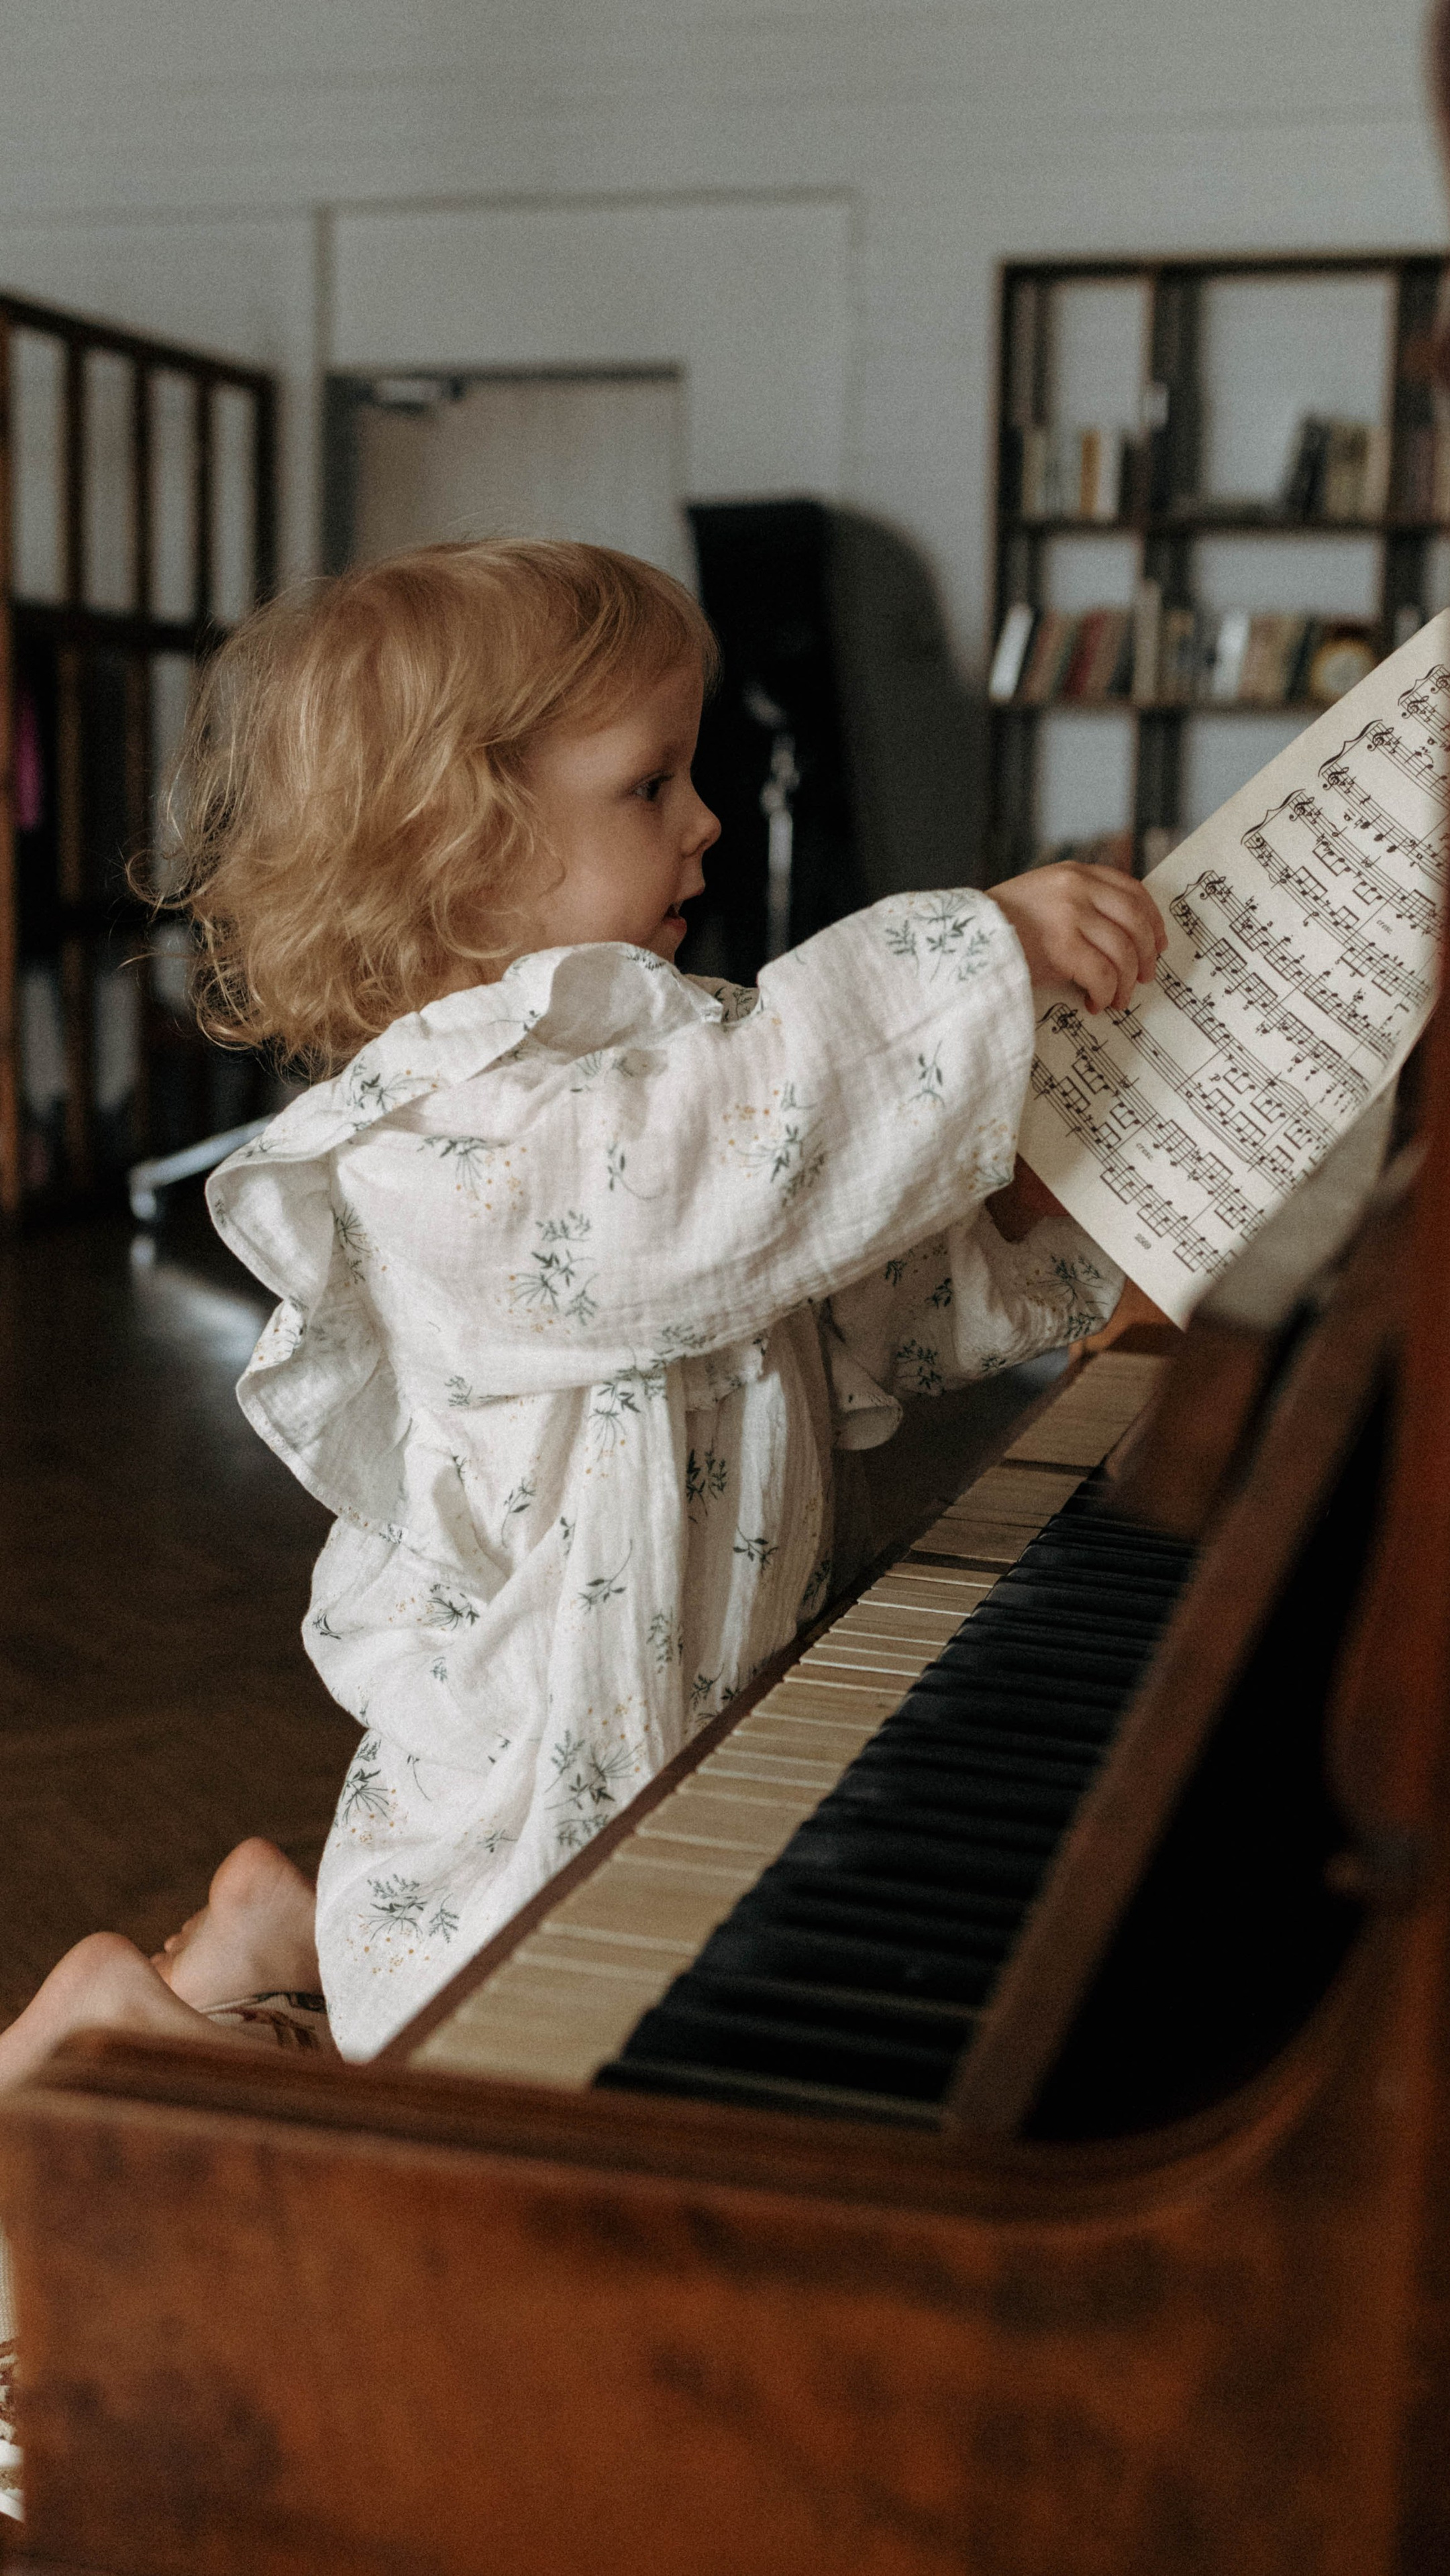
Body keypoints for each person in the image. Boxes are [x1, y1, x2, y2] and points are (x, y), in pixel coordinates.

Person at [0, 538, 1164, 2088]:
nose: (701, 821)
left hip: (672, 1718)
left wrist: (1047, 1227)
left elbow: (823, 1298)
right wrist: (978, 953)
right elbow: (721, 1173)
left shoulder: (656, 1073)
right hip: (521, 1807)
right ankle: (117, 2023)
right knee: (479, 2111)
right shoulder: (451, 1141)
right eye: (647, 784)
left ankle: (268, 1943)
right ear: (460, 844)